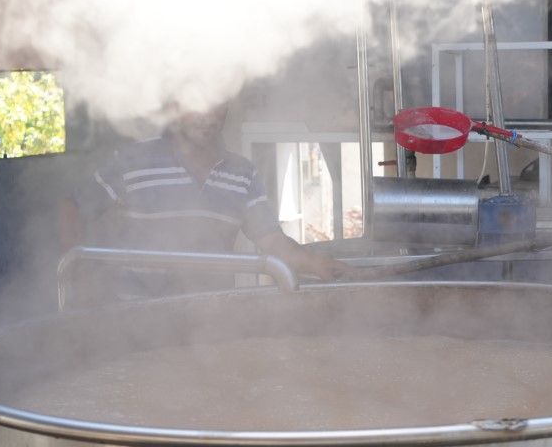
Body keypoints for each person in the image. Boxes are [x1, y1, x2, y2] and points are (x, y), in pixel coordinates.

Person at [61, 102, 350, 300]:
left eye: (217, 103)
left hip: (209, 323)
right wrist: (80, 273)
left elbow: (272, 242)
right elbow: (73, 207)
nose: (208, 115)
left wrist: (318, 264)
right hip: (135, 318)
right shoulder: (133, 161)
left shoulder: (242, 173)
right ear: (174, 104)